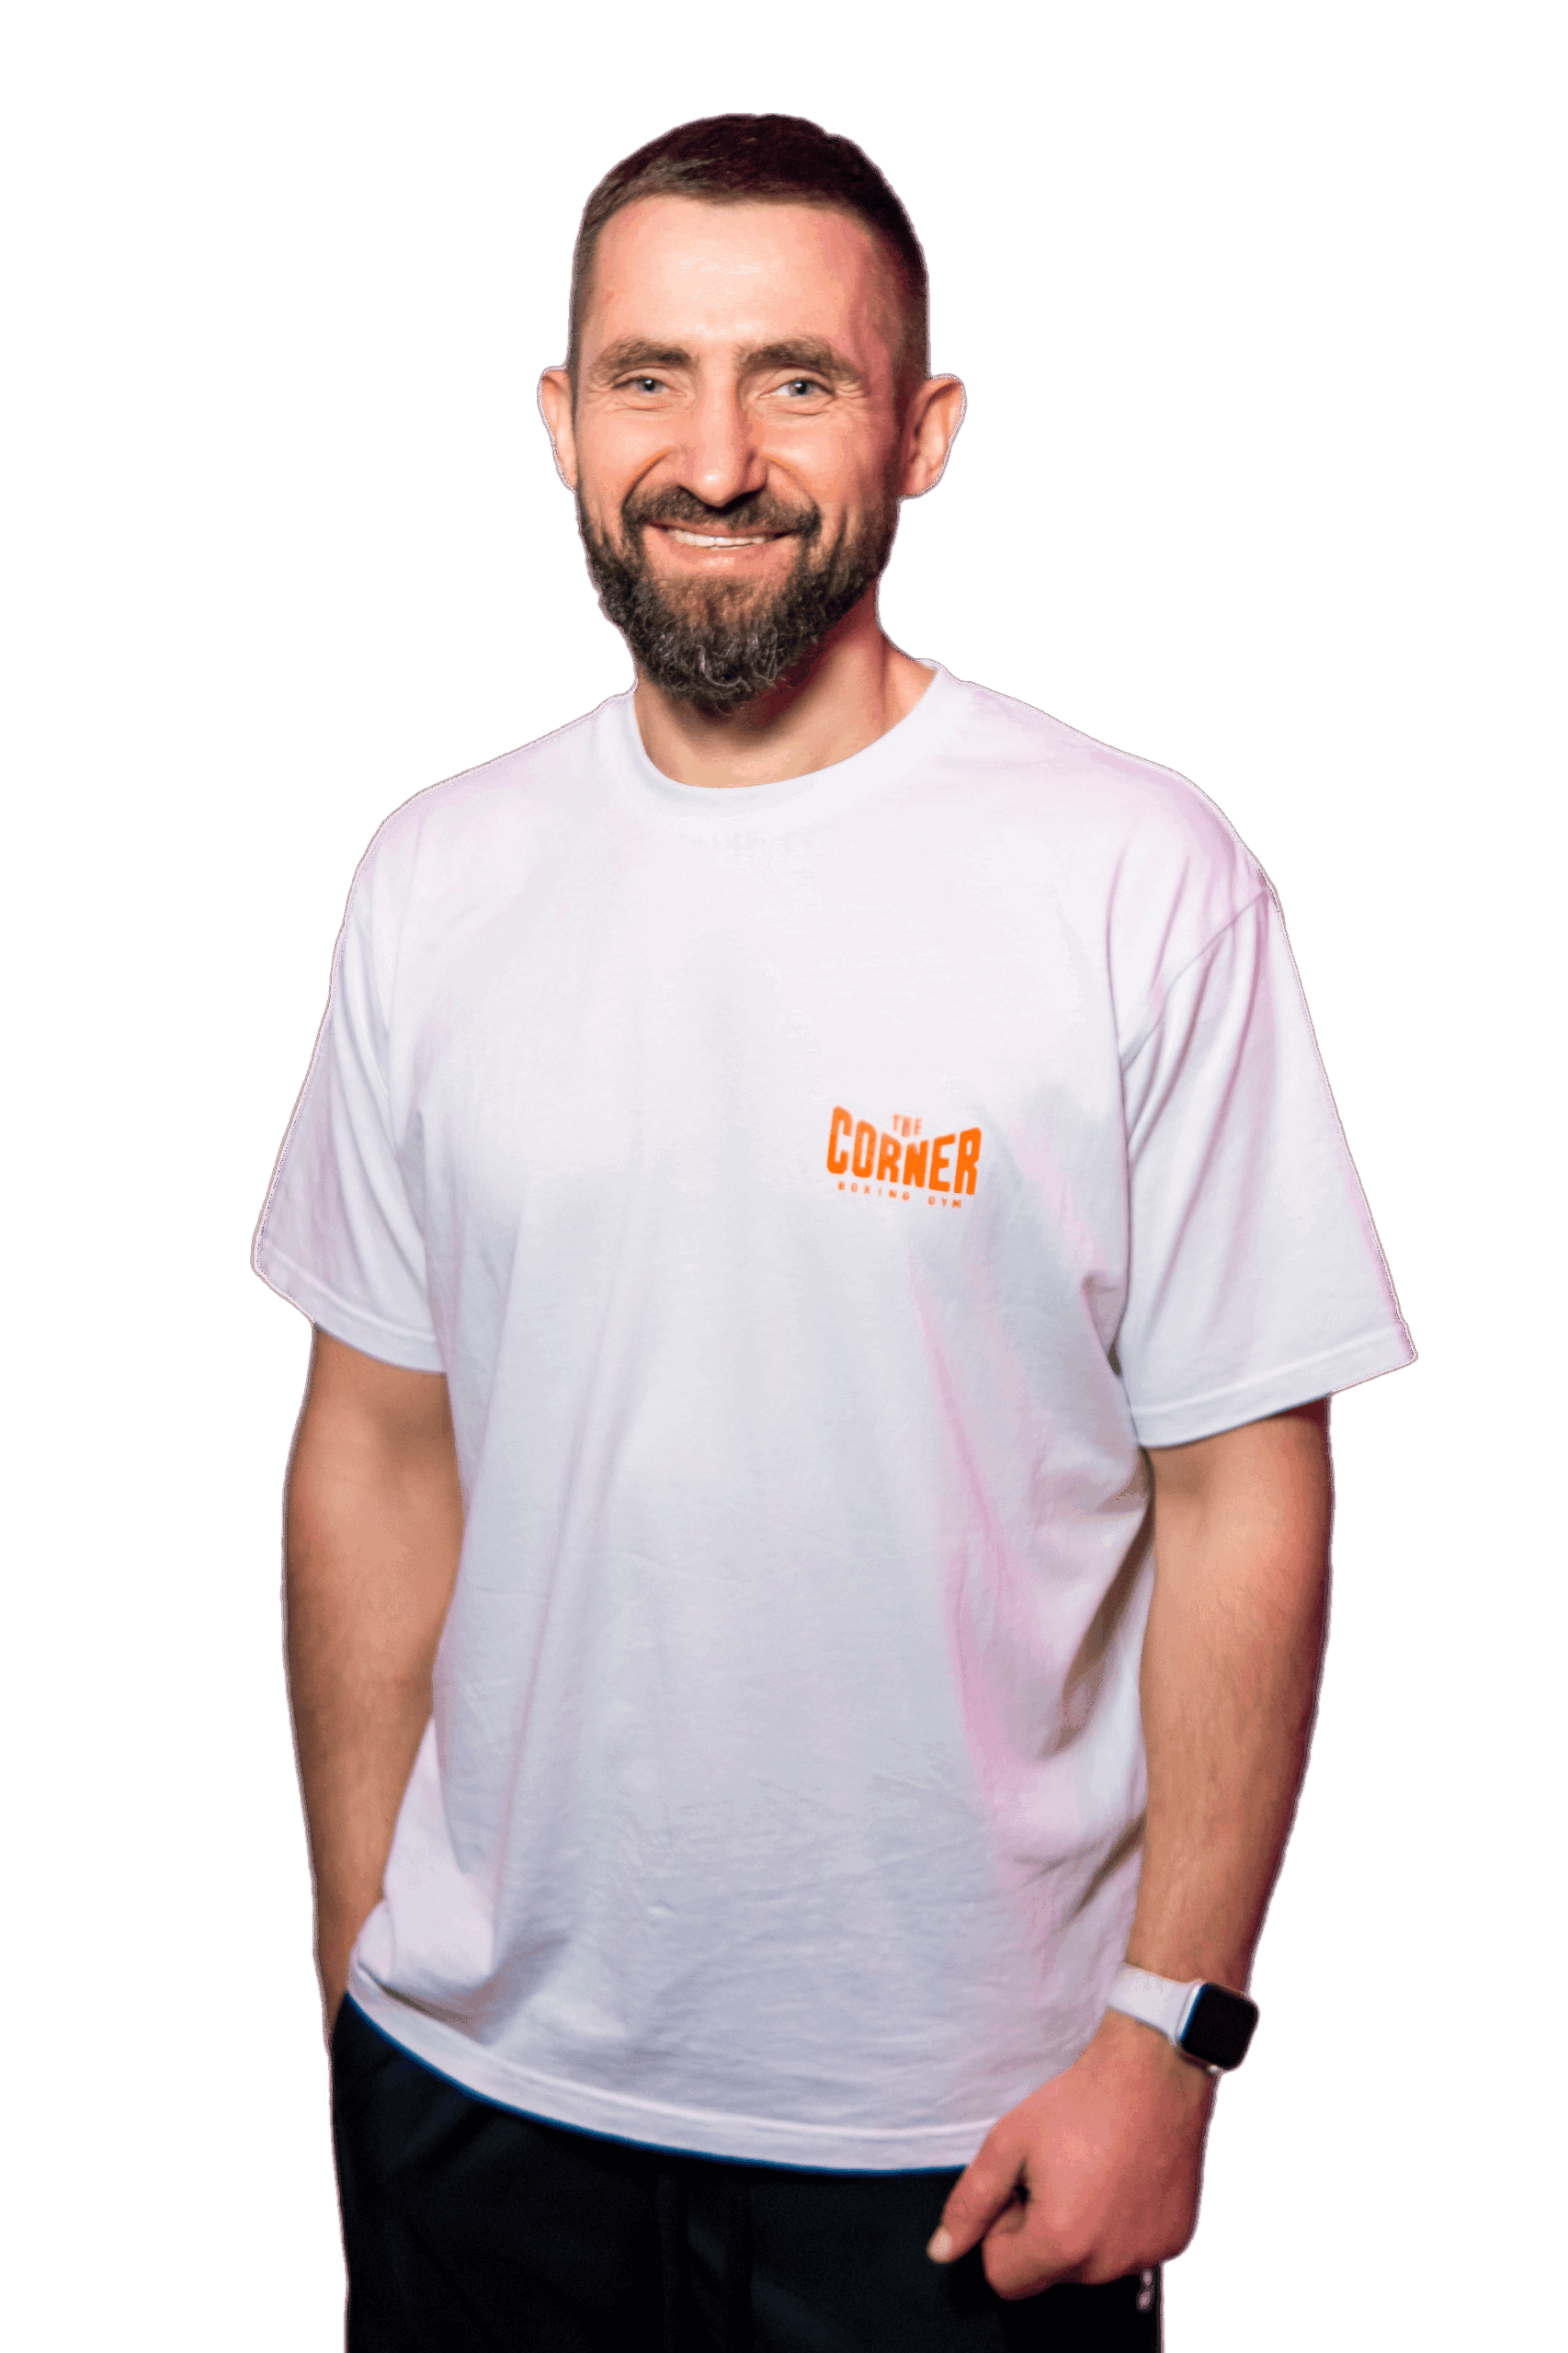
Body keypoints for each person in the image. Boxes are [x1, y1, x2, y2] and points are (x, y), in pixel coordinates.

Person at [255, 112, 1414, 2351]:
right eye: (650, 378)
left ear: (923, 430)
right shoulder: (437, 877)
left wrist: (1170, 2035)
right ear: (560, 421)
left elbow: (1242, 1482)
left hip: (965, 2127)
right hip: (473, 2105)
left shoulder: (1131, 874)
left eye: (795, 380)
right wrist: (359, 1977)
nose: (714, 459)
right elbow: (377, 1448)